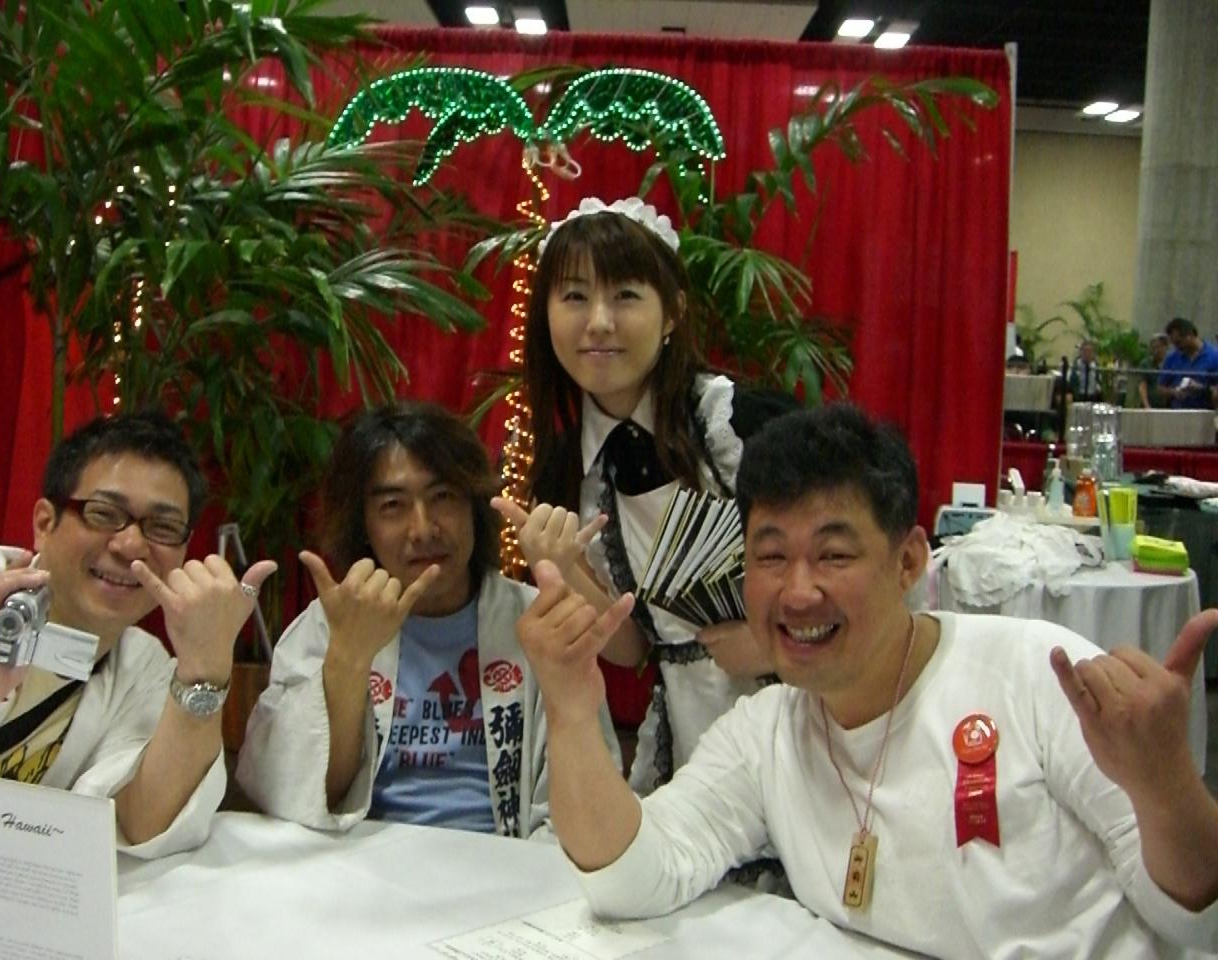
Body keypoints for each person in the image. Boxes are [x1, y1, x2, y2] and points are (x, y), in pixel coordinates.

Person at [518, 403, 1218, 958]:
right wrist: (573, 704)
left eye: (834, 555)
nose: (798, 592)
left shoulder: (1036, 673)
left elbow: (1196, 920)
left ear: (908, 562)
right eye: (770, 557)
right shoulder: (767, 734)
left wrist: (1167, 785)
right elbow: (632, 877)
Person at [494, 196, 795, 793]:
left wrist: (775, 648)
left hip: (799, 719)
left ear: (673, 312)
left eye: (626, 295)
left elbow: (855, 572)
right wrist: (561, 568)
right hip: (689, 745)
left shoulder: (742, 423)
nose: (598, 322)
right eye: (574, 296)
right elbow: (632, 646)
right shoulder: (566, 468)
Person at [236, 402, 617, 838]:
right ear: (363, 525)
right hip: (365, 858)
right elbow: (297, 796)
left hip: (505, 858)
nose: (422, 529)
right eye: (392, 506)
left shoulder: (536, 620)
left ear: (475, 507)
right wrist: (348, 657)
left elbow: (590, 806)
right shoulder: (331, 624)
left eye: (443, 497)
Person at [0, 411, 273, 857]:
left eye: (163, 527)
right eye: (103, 514)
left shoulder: (143, 668)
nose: (131, 546)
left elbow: (143, 822)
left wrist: (206, 667)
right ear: (44, 523)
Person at [1159, 317, 1218, 409]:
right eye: (1174, 344)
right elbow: (1160, 388)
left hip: (1204, 412)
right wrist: (1174, 392)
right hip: (1177, 412)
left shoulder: (1214, 356)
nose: (1177, 347)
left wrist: (1201, 388)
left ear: (1190, 335)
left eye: (1179, 342)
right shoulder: (1172, 358)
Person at [1138, 332, 1171, 408]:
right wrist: (1147, 406)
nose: (1156, 351)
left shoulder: (1171, 363)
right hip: (1149, 406)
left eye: (1158, 347)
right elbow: (1142, 386)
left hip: (1167, 407)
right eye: (1153, 347)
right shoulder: (1145, 364)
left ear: (1165, 347)